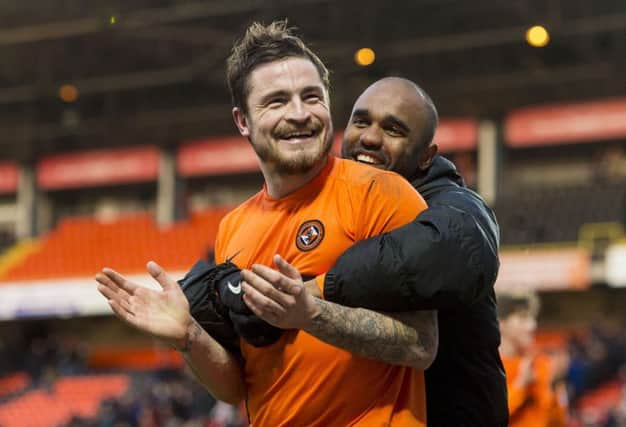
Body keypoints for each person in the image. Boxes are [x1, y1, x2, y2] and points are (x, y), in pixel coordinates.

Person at [96, 21, 438, 426]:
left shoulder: (382, 194)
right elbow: (239, 387)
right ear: (243, 121)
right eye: (276, 102)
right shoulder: (232, 229)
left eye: (311, 97)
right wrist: (190, 338)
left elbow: (422, 345)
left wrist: (311, 314)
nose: (299, 114)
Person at [242, 77, 509, 426]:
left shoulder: (452, 203)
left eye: (393, 129)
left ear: (427, 157)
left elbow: (458, 248)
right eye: (361, 121)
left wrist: (315, 290)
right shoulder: (327, 208)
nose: (369, 137)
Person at [498, 292, 568, 427]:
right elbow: (490, 418)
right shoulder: (488, 369)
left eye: (532, 318)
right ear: (501, 323)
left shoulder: (540, 363)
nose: (532, 325)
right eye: (523, 318)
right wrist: (521, 385)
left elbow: (557, 423)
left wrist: (556, 387)